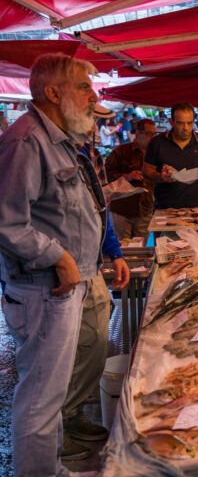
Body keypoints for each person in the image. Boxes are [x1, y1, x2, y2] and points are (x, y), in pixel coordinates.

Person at [0, 53, 108, 476]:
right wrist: (58, 256)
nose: (92, 96)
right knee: (41, 398)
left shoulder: (57, 138)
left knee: (53, 392)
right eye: (84, 87)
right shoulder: (25, 141)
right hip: (43, 288)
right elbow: (7, 221)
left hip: (62, 287)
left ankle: (50, 468)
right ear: (53, 92)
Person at [65, 133, 129, 462]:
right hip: (56, 278)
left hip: (90, 268)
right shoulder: (28, 149)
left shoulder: (82, 156)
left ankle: (73, 415)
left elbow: (98, 210)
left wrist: (114, 252)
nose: (93, 120)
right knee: (57, 360)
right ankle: (55, 443)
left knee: (94, 346)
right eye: (83, 94)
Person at [143, 102, 198, 209]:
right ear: (171, 122)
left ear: (194, 121)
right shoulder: (157, 142)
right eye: (180, 123)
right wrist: (161, 177)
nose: (186, 128)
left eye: (189, 123)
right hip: (165, 208)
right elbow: (146, 172)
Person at [105, 118, 157, 239]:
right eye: (150, 134)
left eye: (155, 134)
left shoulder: (155, 154)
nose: (153, 137)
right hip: (122, 211)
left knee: (142, 250)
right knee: (124, 249)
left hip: (145, 210)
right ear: (138, 133)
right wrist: (127, 177)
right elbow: (106, 176)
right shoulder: (121, 151)